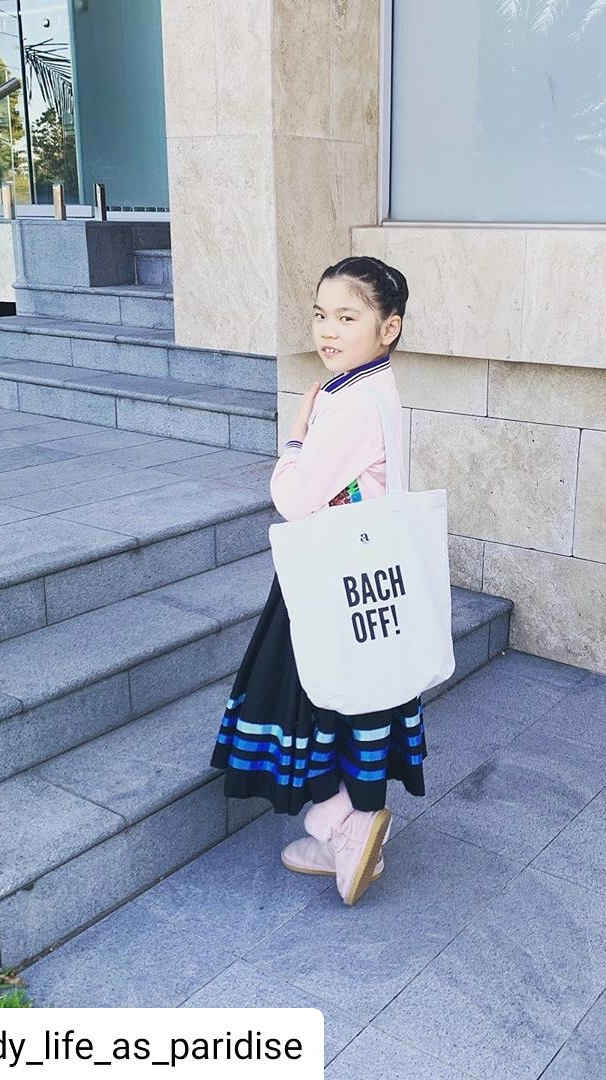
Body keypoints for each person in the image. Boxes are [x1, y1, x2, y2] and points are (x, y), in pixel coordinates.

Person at [210, 256, 425, 906]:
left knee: (302, 703)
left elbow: (294, 498)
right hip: (365, 573)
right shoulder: (379, 389)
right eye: (320, 314)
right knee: (361, 703)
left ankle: (342, 829)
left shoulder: (347, 404)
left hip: (327, 581)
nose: (327, 330)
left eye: (347, 317)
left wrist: (296, 439)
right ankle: (358, 826)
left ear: (387, 328)